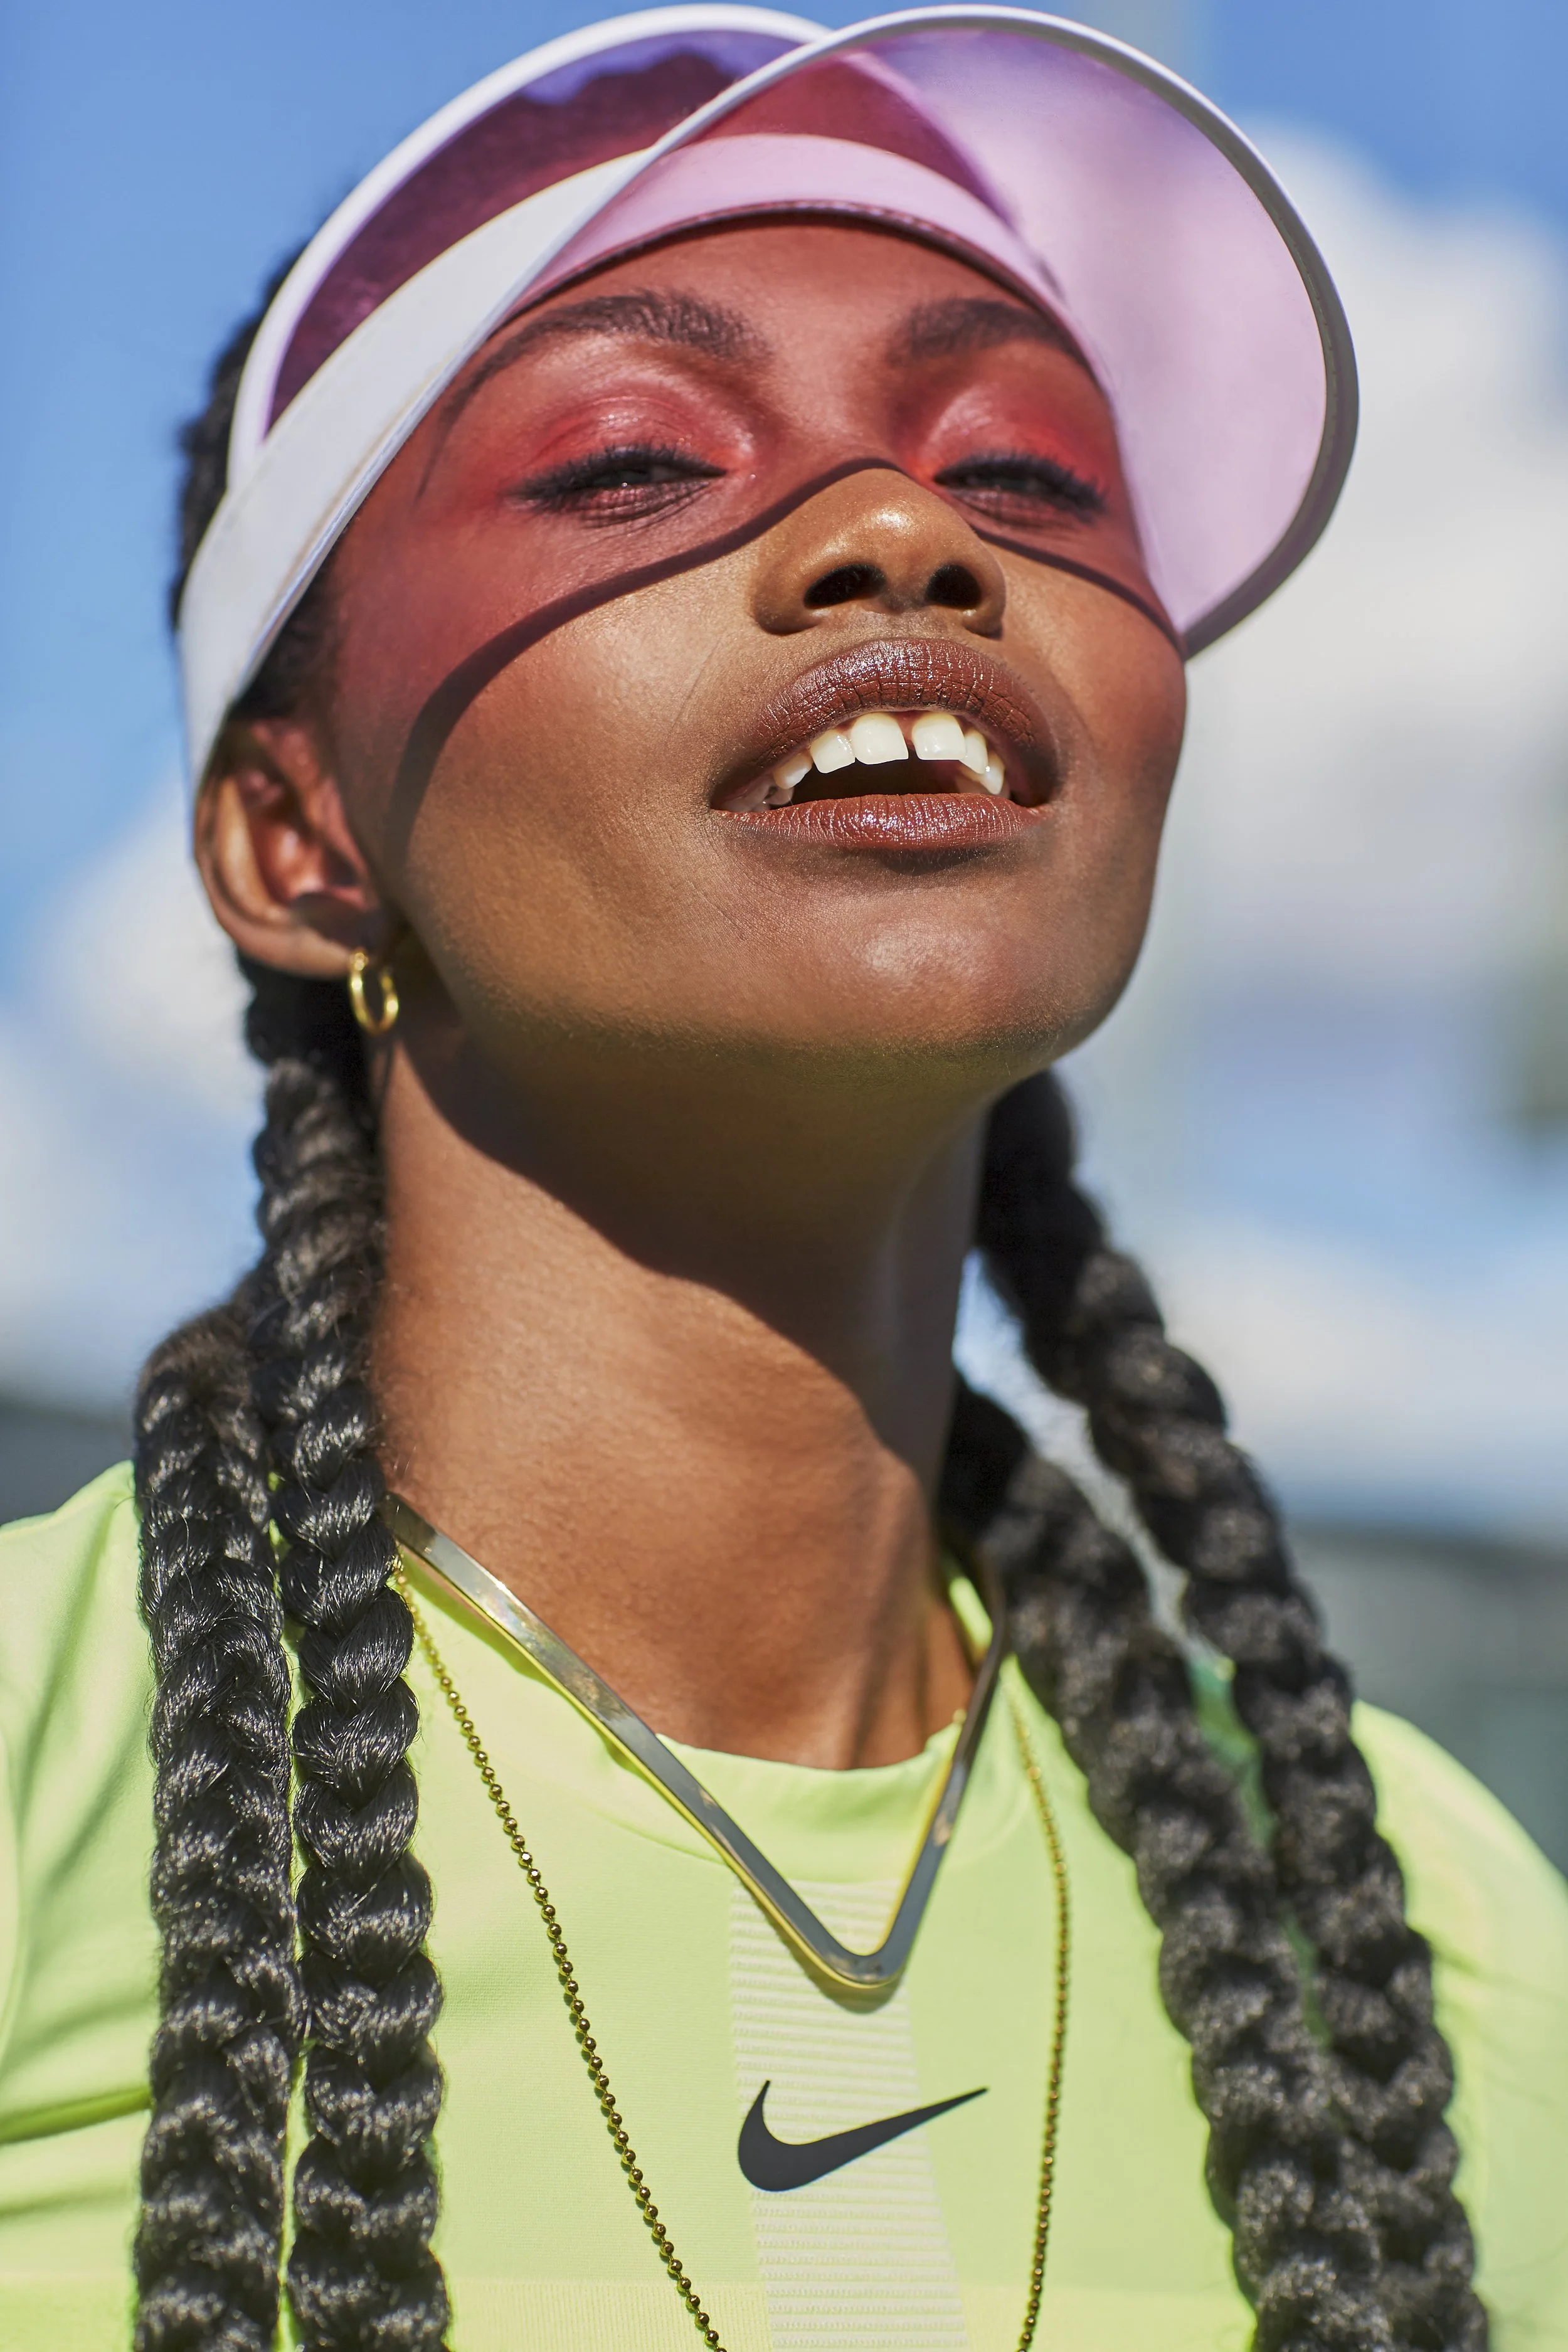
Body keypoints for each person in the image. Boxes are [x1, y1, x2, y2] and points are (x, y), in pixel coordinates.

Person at [1, 11, 1564, 2351]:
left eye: (1034, 475)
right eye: (635, 459)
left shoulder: (1425, 1938)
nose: (906, 532)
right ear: (299, 838)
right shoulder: (48, 1768)